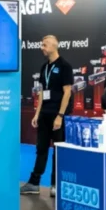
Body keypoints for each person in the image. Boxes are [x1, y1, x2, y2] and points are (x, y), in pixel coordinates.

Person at [21, 35, 72, 197]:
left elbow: (67, 92)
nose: (41, 47)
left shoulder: (65, 66)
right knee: (41, 149)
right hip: (44, 115)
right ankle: (34, 183)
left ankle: (55, 185)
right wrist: (37, 113)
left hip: (57, 116)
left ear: (53, 46)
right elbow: (43, 92)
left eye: (44, 45)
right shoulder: (44, 68)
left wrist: (60, 116)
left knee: (58, 151)